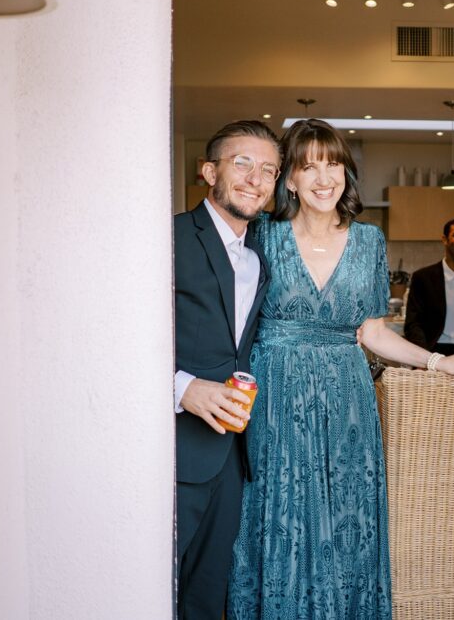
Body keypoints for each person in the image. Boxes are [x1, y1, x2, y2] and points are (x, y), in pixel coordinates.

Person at [228, 119, 454, 619]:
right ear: (289, 180)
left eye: (334, 165)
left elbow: (371, 332)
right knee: (281, 518)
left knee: (348, 525)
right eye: (309, 166)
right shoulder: (261, 234)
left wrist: (440, 361)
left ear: (346, 174)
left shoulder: (369, 241)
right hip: (277, 400)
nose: (324, 178)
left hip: (348, 402)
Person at [173, 120, 280, 619]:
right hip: (173, 449)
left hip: (232, 454)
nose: (255, 178)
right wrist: (183, 388)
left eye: (268, 170)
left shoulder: (259, 254)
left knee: (208, 594)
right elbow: (113, 336)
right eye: (242, 163)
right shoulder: (168, 236)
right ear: (208, 170)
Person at [403, 218, 454, 355]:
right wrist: (424, 357)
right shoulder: (423, 278)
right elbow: (413, 324)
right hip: (435, 351)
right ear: (444, 239)